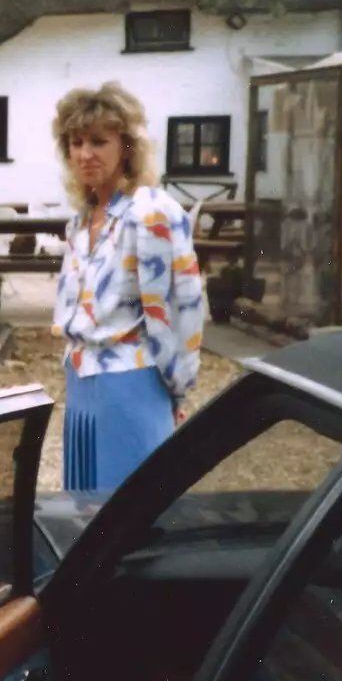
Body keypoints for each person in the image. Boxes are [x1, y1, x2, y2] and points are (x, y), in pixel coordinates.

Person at [51, 83, 204, 492]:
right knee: (84, 513)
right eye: (76, 142)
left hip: (131, 385)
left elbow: (182, 310)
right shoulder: (82, 219)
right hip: (81, 381)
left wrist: (175, 391)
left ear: (128, 147)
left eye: (99, 141)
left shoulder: (152, 213)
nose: (85, 154)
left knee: (126, 516)